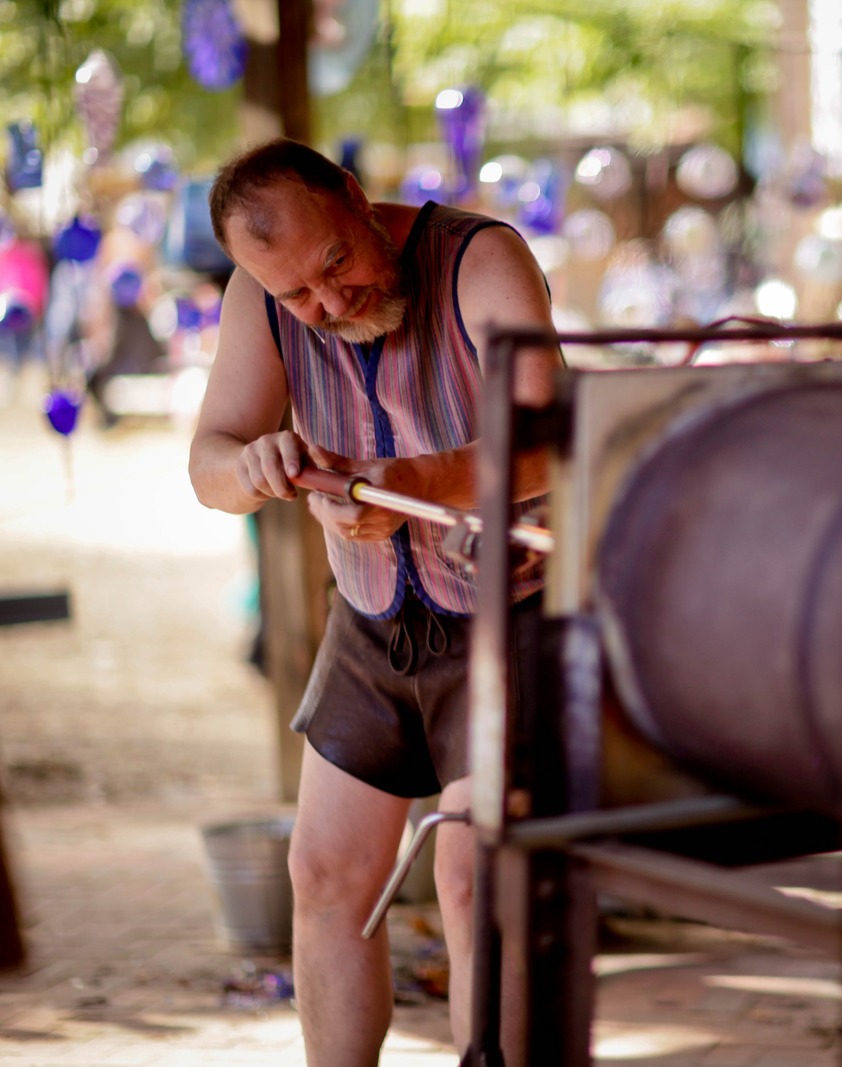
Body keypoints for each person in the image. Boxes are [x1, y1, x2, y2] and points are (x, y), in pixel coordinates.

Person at [188, 138, 559, 1066]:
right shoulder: (261, 298)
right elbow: (209, 464)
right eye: (298, 298)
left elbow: (553, 441)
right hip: (372, 621)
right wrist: (253, 465)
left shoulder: (482, 258)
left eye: (335, 265)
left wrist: (415, 481)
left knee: (474, 877)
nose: (328, 306)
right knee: (322, 875)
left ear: (353, 198)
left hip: (509, 612)